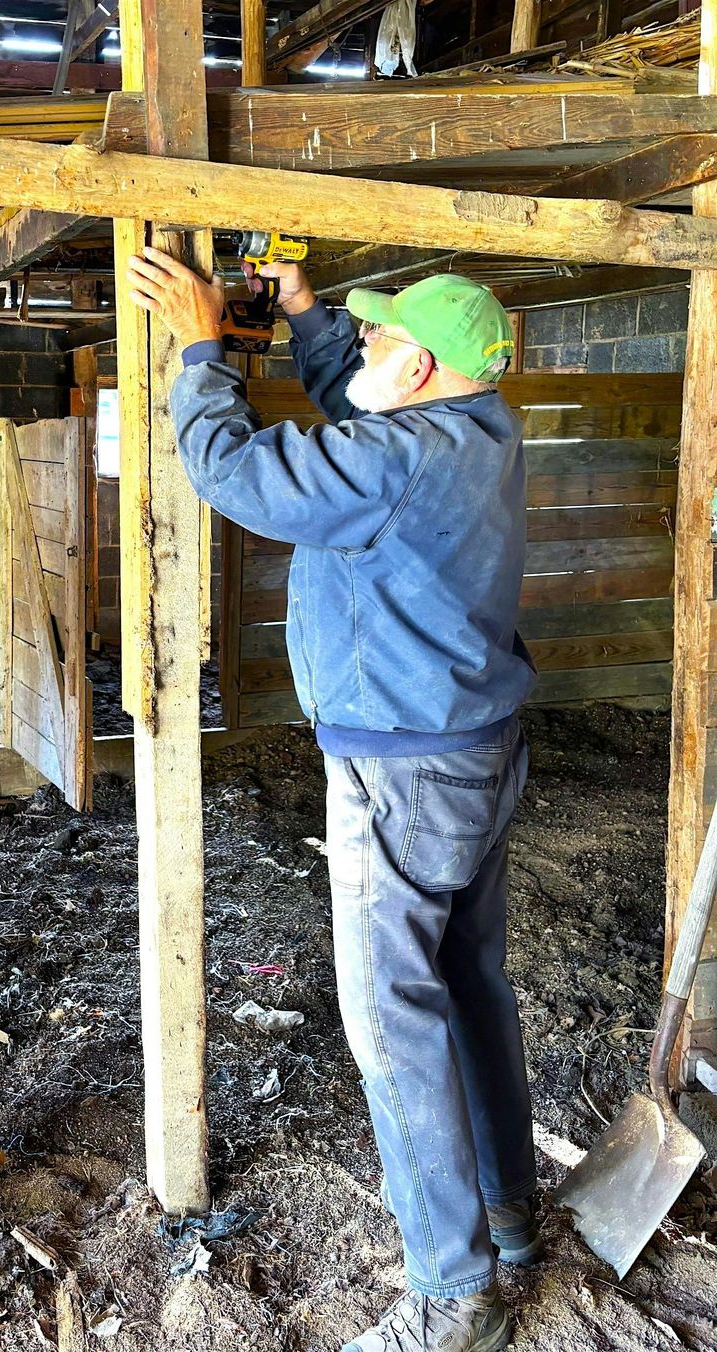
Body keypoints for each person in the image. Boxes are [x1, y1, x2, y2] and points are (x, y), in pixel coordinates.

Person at [125, 246, 538, 1352]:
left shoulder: (397, 454)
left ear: (416, 372)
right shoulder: (481, 427)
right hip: (476, 749)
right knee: (468, 981)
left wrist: (202, 346)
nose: (368, 344)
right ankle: (510, 1216)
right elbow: (353, 408)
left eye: (382, 335)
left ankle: (456, 1294)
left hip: (402, 772)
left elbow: (238, 472)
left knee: (390, 1020)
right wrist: (307, 315)